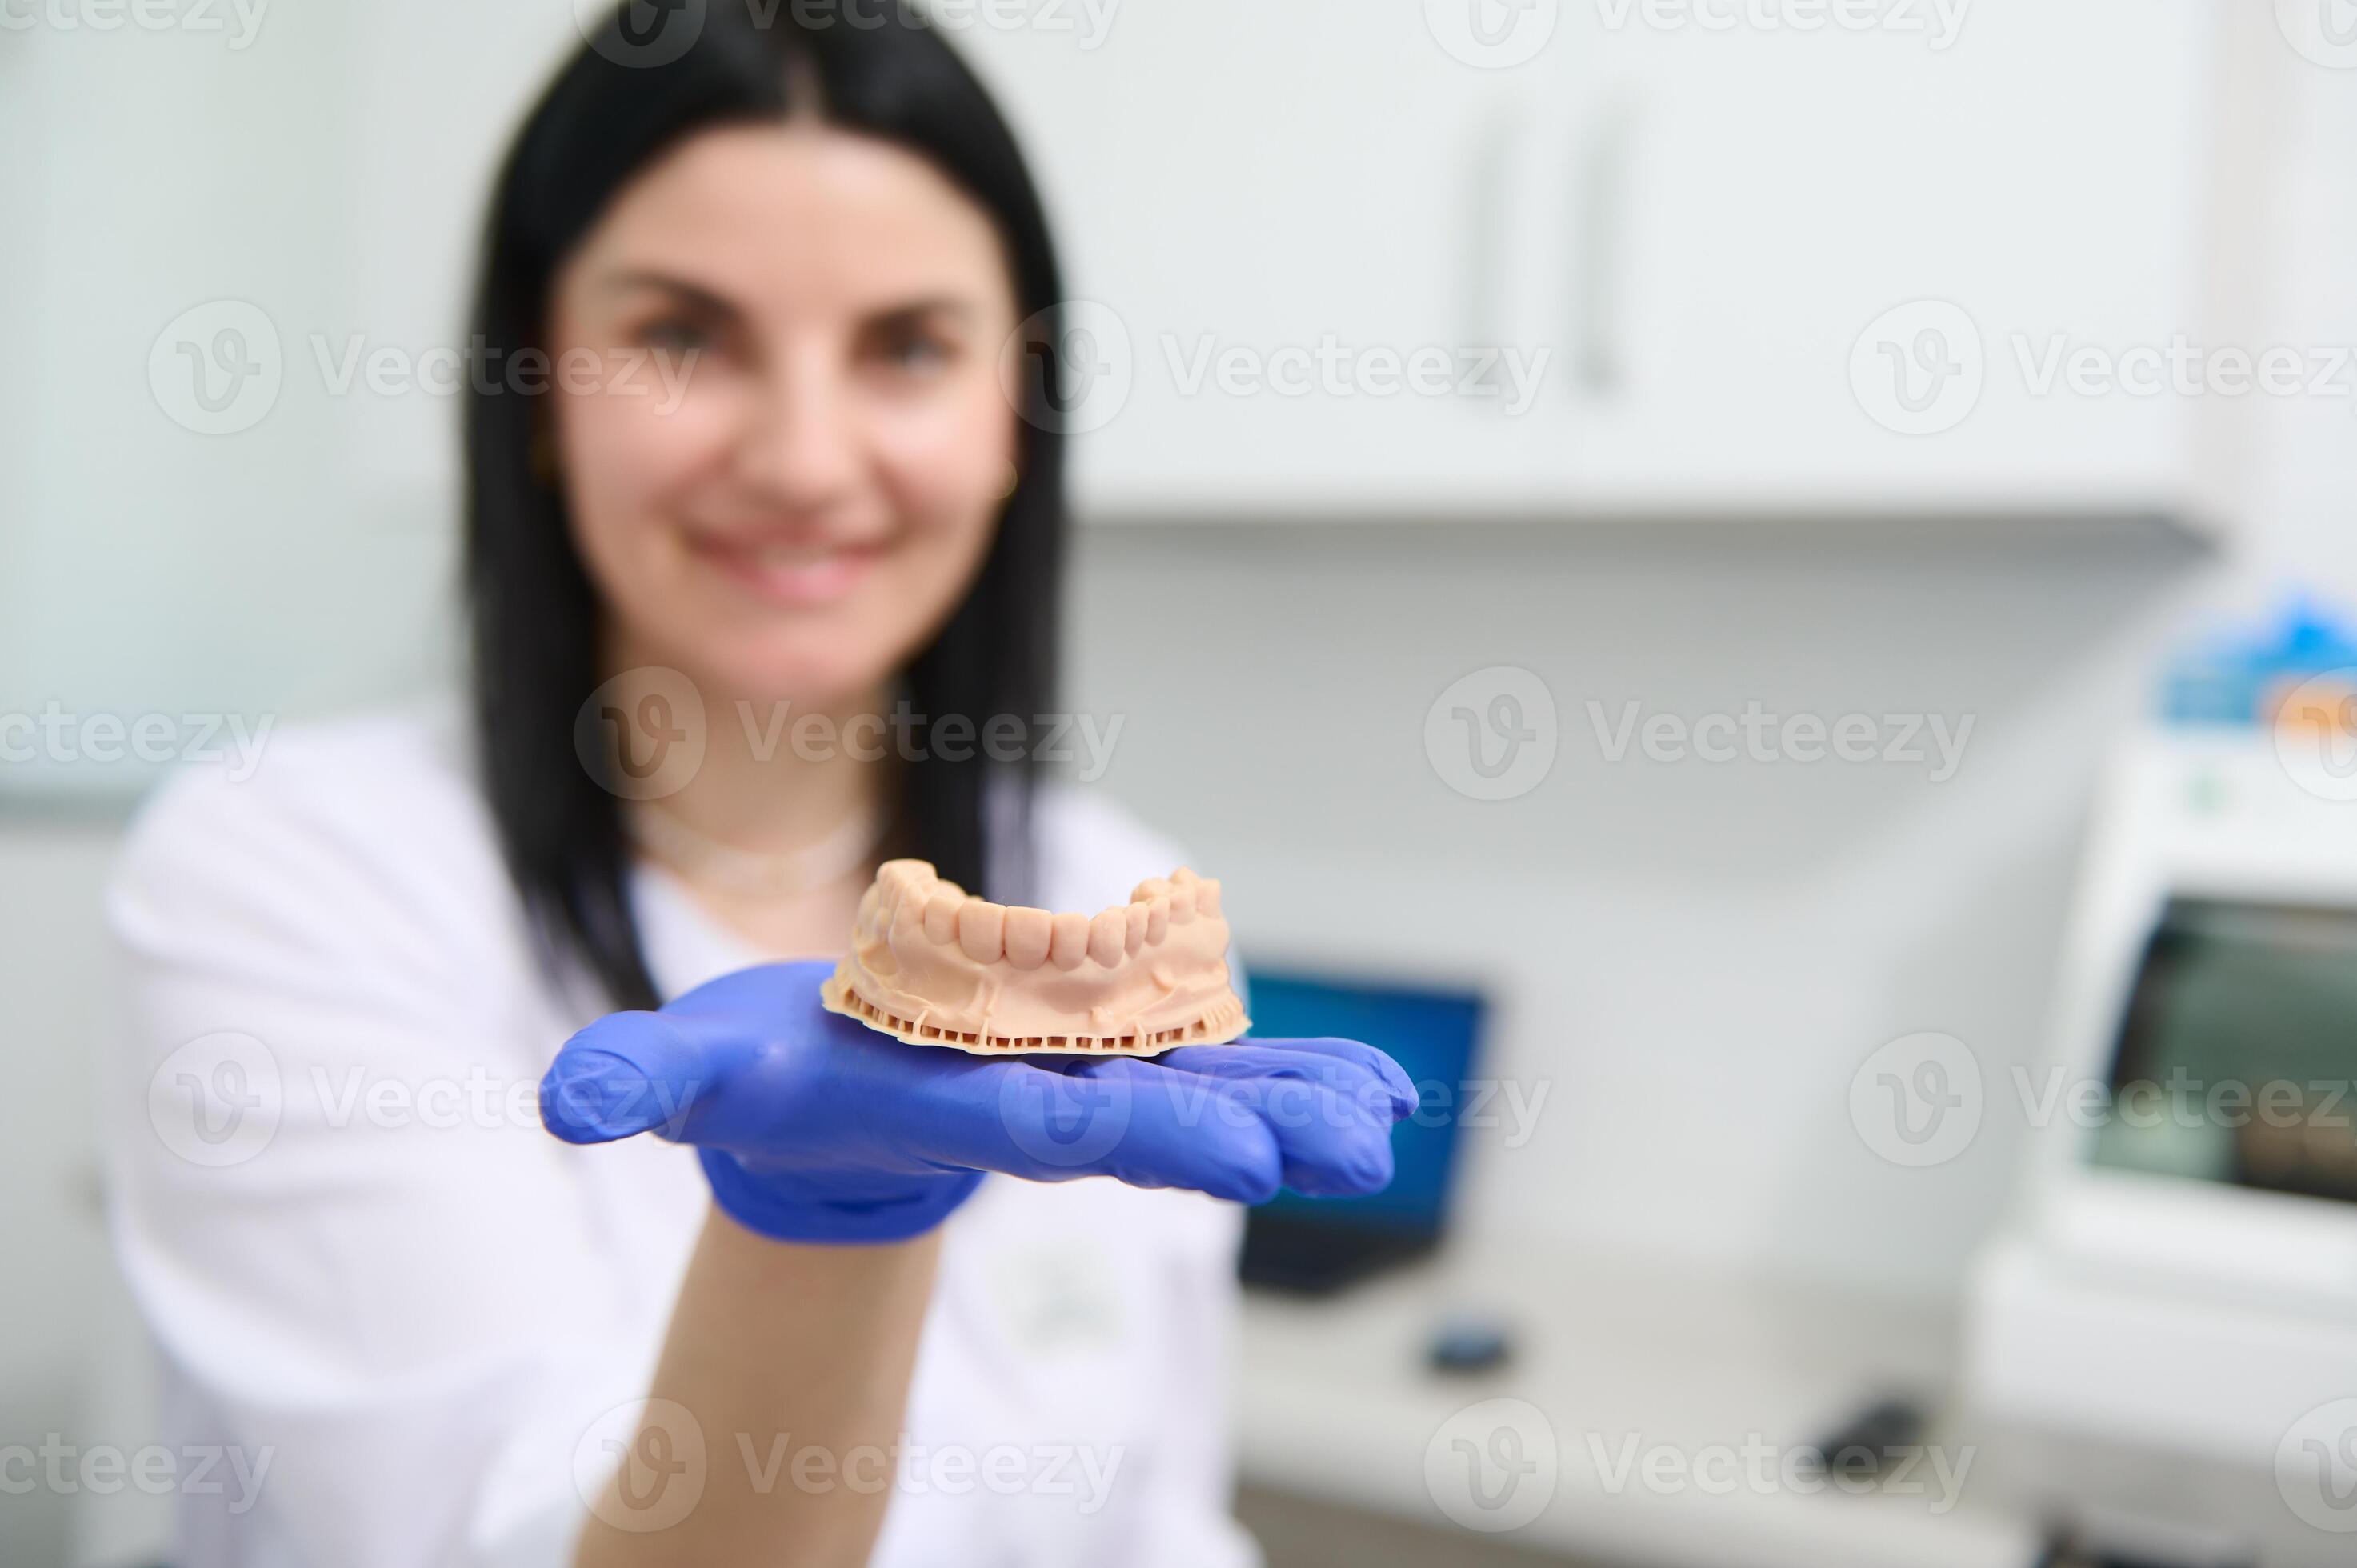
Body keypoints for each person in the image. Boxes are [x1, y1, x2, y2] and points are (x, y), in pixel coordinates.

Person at [102, 8, 1410, 1566]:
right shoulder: (287, 872)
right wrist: (821, 1228)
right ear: (535, 384)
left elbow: (1152, 1524)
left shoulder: (1112, 888)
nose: (803, 457)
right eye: (684, 336)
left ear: (1019, 407)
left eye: (909, 347)